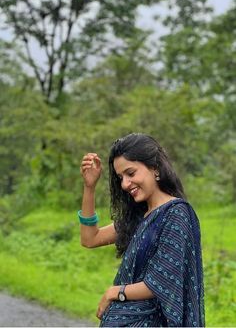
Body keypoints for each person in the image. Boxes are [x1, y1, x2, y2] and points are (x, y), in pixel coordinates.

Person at [79, 133, 204, 327]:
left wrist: (116, 292)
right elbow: (90, 238)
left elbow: (163, 279)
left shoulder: (176, 213)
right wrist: (89, 187)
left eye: (131, 173)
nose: (125, 184)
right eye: (121, 178)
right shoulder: (139, 217)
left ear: (155, 168)